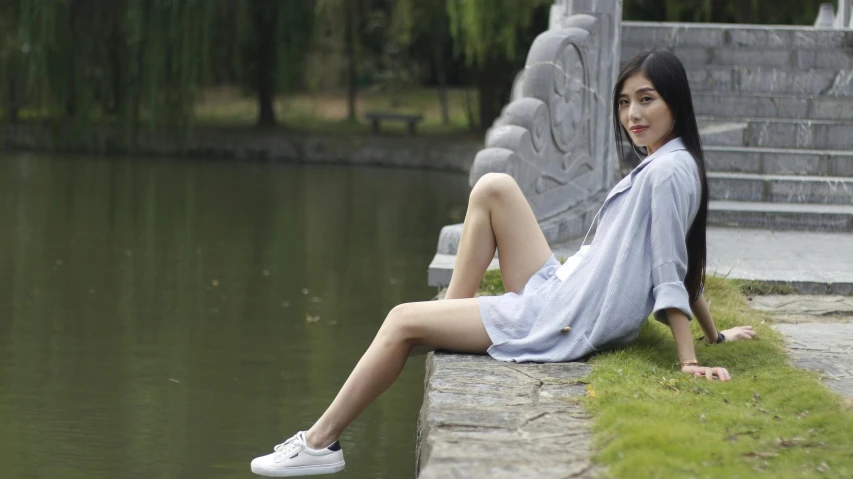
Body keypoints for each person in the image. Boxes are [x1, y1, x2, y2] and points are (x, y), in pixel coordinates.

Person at [249, 49, 757, 477]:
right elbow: (689, 263)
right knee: (495, 187)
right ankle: (455, 313)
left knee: (400, 320)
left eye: (647, 100)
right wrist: (716, 335)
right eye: (625, 102)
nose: (632, 115)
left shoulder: (666, 174)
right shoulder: (675, 161)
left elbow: (672, 266)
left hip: (562, 318)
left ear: (676, 102)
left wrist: (690, 359)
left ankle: (320, 445)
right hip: (563, 286)